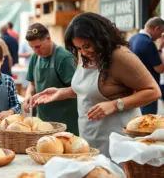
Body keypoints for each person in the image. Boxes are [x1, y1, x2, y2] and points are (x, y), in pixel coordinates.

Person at [33, 13, 160, 157]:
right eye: (79, 48)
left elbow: (153, 91)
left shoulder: (120, 56)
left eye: (87, 46)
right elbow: (90, 89)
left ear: (100, 38)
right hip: (89, 138)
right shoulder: (87, 56)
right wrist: (61, 92)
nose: (84, 52)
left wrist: (114, 105)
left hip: (116, 142)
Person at [23, 23, 79, 135]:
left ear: (48, 38)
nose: (35, 51)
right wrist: (28, 95)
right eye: (32, 47)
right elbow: (32, 84)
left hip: (66, 122)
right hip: (43, 122)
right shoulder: (35, 57)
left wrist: (57, 94)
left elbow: (77, 90)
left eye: (38, 46)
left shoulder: (64, 58)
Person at [129, 17, 164, 115]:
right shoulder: (148, 43)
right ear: (156, 28)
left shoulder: (133, 38)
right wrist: (160, 48)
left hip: (136, 88)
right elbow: (160, 69)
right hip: (149, 89)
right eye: (161, 33)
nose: (159, 37)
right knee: (149, 121)